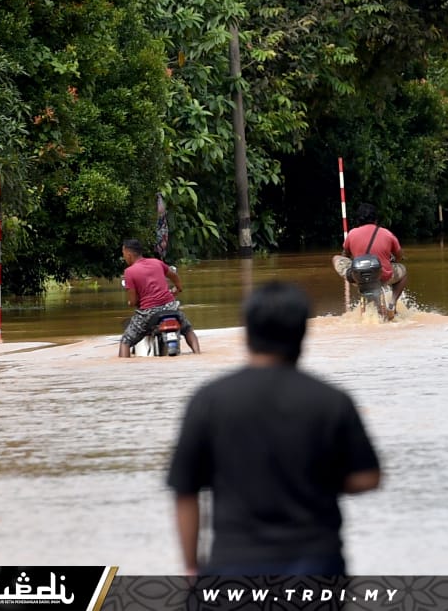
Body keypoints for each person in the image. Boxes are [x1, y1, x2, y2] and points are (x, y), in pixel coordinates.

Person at [166, 281, 382, 575]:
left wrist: (191, 566)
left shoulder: (209, 400)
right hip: (316, 565)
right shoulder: (331, 400)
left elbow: (184, 490)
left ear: (247, 331)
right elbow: (368, 477)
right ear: (303, 332)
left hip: (233, 565)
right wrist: (316, 479)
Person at [118, 238, 200, 358]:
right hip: (171, 307)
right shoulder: (156, 262)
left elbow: (134, 301)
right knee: (188, 330)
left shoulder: (129, 272)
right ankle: (198, 354)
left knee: (125, 341)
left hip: (148, 313)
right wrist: (178, 288)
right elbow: (174, 275)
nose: (124, 257)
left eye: (123, 254)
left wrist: (130, 302)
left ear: (129, 254)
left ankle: (122, 368)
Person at [332, 202, 408, 312]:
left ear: (359, 219)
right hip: (383, 276)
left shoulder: (352, 234)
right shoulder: (387, 234)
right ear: (376, 219)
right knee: (403, 271)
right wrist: (392, 260)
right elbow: (399, 255)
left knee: (336, 258)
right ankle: (392, 303)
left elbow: (345, 254)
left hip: (357, 277)